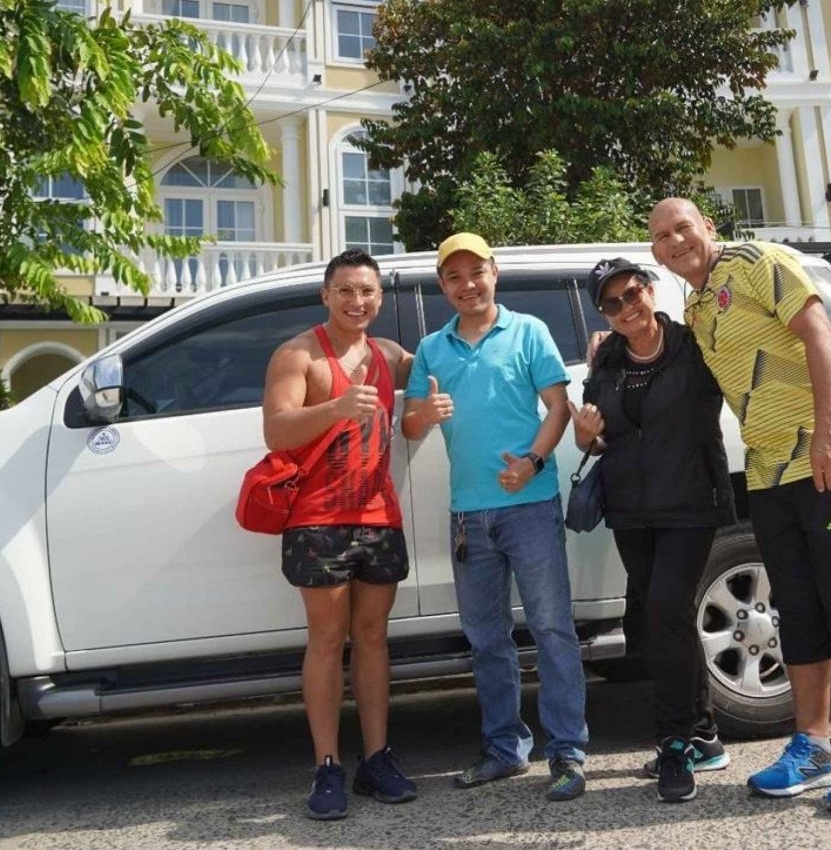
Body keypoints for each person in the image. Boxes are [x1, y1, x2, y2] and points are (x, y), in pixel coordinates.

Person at [647, 198, 831, 814]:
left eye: (684, 227)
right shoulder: (697, 305)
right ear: (655, 251)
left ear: (707, 225)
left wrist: (830, 430)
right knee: (798, 607)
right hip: (764, 467)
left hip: (826, 453)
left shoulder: (761, 261)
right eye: (662, 236)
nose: (676, 241)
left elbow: (820, 333)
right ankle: (811, 744)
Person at [401, 232, 588, 802]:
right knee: (486, 638)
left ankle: (567, 754)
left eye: (475, 272)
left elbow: (559, 407)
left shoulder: (529, 331)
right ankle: (504, 749)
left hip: (529, 506)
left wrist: (533, 462)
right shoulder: (433, 348)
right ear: (442, 286)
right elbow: (410, 424)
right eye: (454, 277)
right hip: (468, 515)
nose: (467, 284)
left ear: (494, 272)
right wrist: (424, 413)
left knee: (553, 629)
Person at [571, 257, 734, 804]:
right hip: (631, 508)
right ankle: (705, 733)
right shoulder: (607, 359)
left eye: (632, 293)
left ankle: (673, 743)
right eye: (611, 303)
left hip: (690, 501)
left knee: (665, 611)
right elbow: (599, 440)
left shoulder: (694, 347)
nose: (625, 308)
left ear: (650, 290)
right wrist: (586, 437)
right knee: (664, 617)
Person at [262, 249, 416, 821]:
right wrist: (336, 407)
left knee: (372, 639)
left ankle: (377, 758)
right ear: (326, 295)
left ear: (380, 298)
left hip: (379, 516)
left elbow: (452, 362)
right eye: (346, 290)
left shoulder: (391, 355)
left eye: (368, 292)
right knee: (327, 641)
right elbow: (277, 431)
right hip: (317, 519)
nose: (357, 301)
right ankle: (327, 766)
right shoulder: (297, 354)